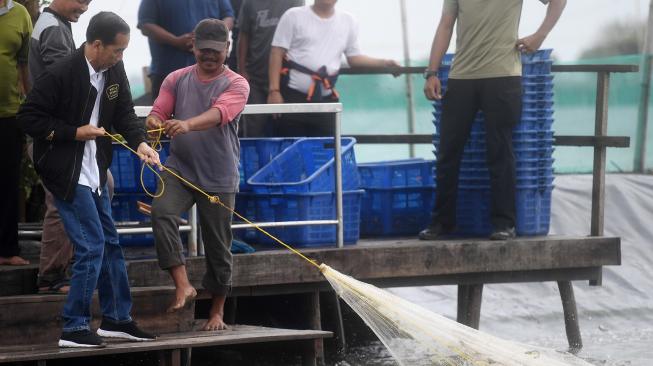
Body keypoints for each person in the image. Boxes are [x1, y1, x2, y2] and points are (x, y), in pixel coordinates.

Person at [18, 11, 160, 348]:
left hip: (95, 169)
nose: (120, 57)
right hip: (65, 170)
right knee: (92, 244)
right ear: (96, 45)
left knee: (110, 242)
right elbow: (29, 117)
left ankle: (117, 318)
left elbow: (125, 111)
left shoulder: (114, 70)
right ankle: (75, 326)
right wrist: (74, 132)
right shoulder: (62, 72)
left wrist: (140, 143)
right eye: (117, 50)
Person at [419, 0, 566, 241]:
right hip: (461, 75)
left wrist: (540, 35)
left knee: (501, 151)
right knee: (447, 151)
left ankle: (504, 223)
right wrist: (432, 72)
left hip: (503, 75)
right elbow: (446, 24)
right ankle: (441, 222)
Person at [146, 19, 249, 331]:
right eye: (204, 49)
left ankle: (216, 311)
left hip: (219, 175)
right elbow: (159, 110)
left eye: (216, 51)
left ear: (227, 49)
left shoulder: (237, 84)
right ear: (193, 46)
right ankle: (183, 284)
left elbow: (220, 113)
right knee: (161, 212)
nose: (210, 56)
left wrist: (187, 123)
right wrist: (154, 120)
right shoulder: (176, 79)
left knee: (218, 245)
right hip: (180, 168)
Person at [27, 0, 95, 294]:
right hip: (54, 135)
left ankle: (69, 267)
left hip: (59, 133)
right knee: (60, 200)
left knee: (96, 186)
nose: (84, 8)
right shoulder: (53, 29)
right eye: (81, 1)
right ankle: (52, 276)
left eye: (89, 2)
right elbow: (66, 86)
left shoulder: (55, 24)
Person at [267, 0, 399, 137]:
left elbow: (354, 58)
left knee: (328, 149)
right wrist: (274, 91)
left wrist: (384, 63)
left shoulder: (348, 21)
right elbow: (277, 52)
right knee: (291, 149)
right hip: (292, 97)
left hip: (326, 101)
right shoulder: (293, 16)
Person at [137, 0, 235, 100]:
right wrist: (175, 41)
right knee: (163, 113)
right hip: (166, 72)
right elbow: (145, 24)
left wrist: (210, 36)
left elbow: (229, 17)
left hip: (212, 75)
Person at [236, 0, 303, 136]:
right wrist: (242, 70)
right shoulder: (249, 3)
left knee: (286, 129)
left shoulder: (295, 2)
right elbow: (243, 37)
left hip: (285, 80)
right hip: (255, 78)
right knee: (253, 129)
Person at [0, 0, 31, 266]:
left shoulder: (20, 14)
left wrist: (32, 105)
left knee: (8, 181)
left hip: (9, 113)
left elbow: (25, 65)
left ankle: (7, 250)